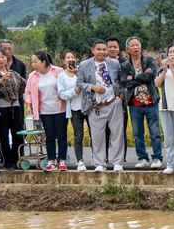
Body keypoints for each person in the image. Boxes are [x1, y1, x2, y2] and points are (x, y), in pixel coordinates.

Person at [77, 39, 124, 172]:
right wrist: (92, 87)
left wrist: (121, 93)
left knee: (117, 134)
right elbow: (79, 83)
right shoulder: (85, 64)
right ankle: (100, 163)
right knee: (97, 136)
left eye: (104, 49)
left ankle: (118, 163)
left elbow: (120, 80)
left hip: (113, 103)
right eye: (99, 49)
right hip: (95, 105)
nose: (102, 52)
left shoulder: (114, 63)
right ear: (93, 50)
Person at [120, 37, 162, 170]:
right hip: (134, 103)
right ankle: (142, 158)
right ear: (127, 49)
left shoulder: (149, 60)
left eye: (137, 44)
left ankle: (157, 158)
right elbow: (124, 82)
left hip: (151, 102)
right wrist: (141, 77)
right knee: (138, 133)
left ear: (141, 46)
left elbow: (152, 75)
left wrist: (133, 77)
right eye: (132, 45)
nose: (135, 47)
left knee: (154, 132)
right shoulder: (125, 65)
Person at [25, 52, 66, 171]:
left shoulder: (57, 71)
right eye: (32, 62)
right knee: (50, 136)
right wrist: (28, 106)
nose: (33, 65)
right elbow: (28, 92)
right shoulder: (33, 76)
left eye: (35, 62)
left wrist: (62, 93)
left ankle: (62, 160)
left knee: (61, 135)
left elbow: (67, 84)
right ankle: (51, 161)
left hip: (60, 109)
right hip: (44, 110)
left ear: (43, 62)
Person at [0, 48, 26, 170]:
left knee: (18, 134)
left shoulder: (14, 73)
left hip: (15, 106)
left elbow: (24, 86)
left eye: (3, 57)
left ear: (7, 58)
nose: (1, 59)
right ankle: (7, 161)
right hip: (0, 107)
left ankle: (17, 158)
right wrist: (2, 80)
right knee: (3, 135)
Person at [56, 50, 87, 170]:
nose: (70, 59)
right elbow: (62, 94)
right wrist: (75, 91)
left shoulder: (82, 70)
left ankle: (98, 160)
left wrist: (77, 74)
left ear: (76, 59)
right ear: (63, 61)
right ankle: (80, 161)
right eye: (67, 58)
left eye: (72, 57)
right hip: (74, 108)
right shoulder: (61, 76)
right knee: (78, 135)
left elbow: (89, 84)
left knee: (95, 134)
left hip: (88, 106)